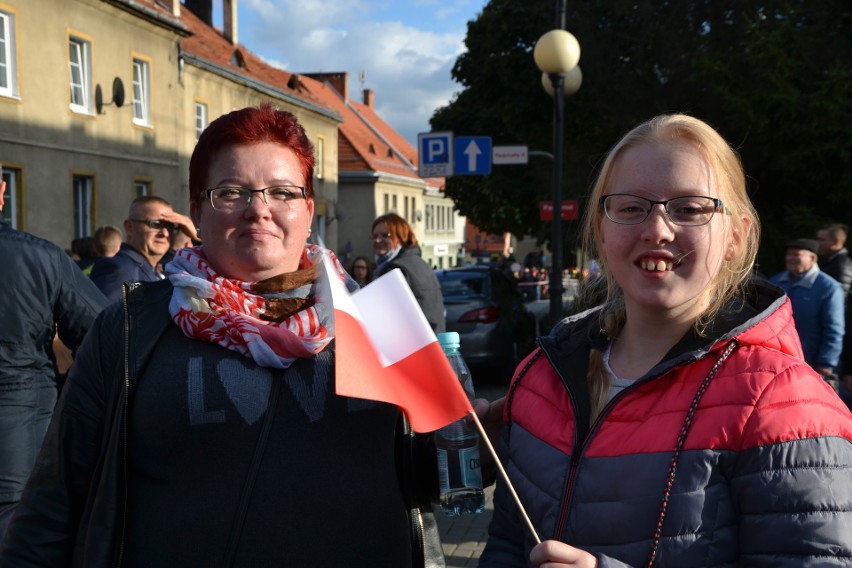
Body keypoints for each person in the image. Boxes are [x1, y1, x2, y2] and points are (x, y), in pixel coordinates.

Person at [0, 104, 445, 567]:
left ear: (308, 210)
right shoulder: (131, 330)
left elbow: (432, 477)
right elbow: (52, 506)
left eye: (282, 192)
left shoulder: (382, 323)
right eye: (231, 192)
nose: (259, 209)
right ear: (197, 211)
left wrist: (476, 445)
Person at [479, 114, 852, 567]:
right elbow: (505, 546)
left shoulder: (785, 404)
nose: (656, 229)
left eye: (690, 208)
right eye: (631, 207)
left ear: (736, 237)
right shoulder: (538, 378)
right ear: (601, 229)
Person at [0, 164, 108, 540]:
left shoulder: (41, 257)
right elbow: (102, 335)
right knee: (17, 530)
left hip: (20, 414)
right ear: (1, 193)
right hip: (19, 422)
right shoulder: (41, 257)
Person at [89, 195, 198, 303]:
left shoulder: (156, 270)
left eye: (170, 227)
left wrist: (197, 236)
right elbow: (104, 317)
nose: (164, 233)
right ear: (129, 227)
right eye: (155, 224)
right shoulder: (118, 269)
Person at [769, 238, 845, 378]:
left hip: (813, 366)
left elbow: (834, 330)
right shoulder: (776, 283)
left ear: (812, 258)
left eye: (796, 254)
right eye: (788, 254)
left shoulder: (829, 288)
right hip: (778, 364)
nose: (790, 258)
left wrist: (826, 363)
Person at [372, 212, 445, 333]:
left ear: (400, 236)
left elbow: (383, 316)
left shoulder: (394, 269)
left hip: (411, 346)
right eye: (374, 236)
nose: (378, 240)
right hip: (431, 342)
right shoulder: (420, 263)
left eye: (385, 235)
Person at [817, 223, 852, 293]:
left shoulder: (841, 265)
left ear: (836, 241)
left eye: (822, 240)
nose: (817, 243)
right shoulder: (826, 260)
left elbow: (840, 295)